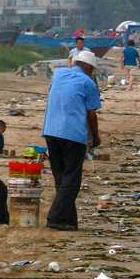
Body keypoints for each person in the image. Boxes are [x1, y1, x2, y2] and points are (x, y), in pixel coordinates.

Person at [42, 50, 101, 231]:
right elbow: (91, 114)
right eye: (92, 70)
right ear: (88, 67)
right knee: (72, 179)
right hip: (73, 134)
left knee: (61, 177)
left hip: (51, 131)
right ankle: (55, 218)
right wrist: (96, 137)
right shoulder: (87, 82)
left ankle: (68, 220)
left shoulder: (58, 74)